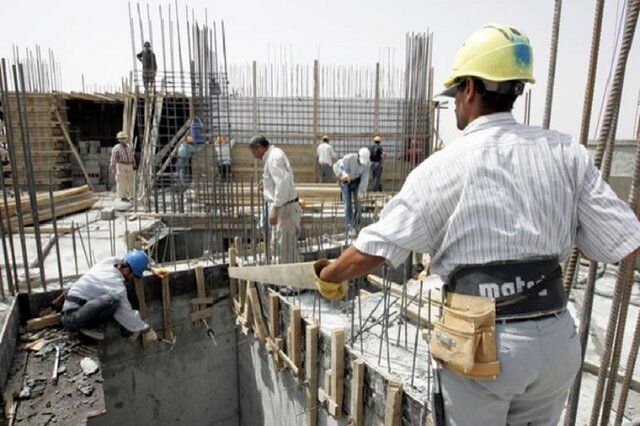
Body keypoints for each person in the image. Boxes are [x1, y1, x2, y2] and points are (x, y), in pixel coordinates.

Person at [314, 23, 640, 425]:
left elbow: (374, 249)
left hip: (483, 345)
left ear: (470, 88)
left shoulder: (444, 166)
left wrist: (330, 273)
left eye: (455, 94)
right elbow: (623, 242)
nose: (454, 105)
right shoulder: (566, 153)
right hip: (557, 341)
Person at [61, 251, 165, 342]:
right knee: (114, 300)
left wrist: (151, 269)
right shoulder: (115, 284)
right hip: (73, 319)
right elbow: (126, 313)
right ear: (127, 271)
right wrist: (146, 330)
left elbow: (127, 260)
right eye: (134, 275)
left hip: (75, 310)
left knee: (112, 301)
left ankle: (97, 328)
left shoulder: (108, 263)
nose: (133, 278)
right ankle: (93, 328)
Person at [248, 135, 301, 264]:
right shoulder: (274, 155)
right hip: (284, 207)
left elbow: (282, 183)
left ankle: (292, 283)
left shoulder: (273, 158)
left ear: (259, 148)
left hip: (285, 209)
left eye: (253, 152)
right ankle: (287, 282)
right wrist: (266, 182)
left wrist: (275, 209)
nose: (254, 156)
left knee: (286, 250)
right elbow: (280, 179)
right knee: (280, 247)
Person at [333, 147, 370, 236]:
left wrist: (361, 192)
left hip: (357, 182)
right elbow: (336, 166)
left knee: (358, 204)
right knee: (348, 205)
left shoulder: (367, 163)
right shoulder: (349, 158)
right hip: (346, 182)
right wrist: (343, 174)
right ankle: (350, 227)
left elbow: (365, 178)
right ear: (358, 156)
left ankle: (357, 225)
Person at [110, 131, 135, 202]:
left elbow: (131, 155)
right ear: (119, 140)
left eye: (124, 138)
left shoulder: (129, 146)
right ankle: (123, 197)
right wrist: (113, 167)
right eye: (121, 138)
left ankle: (131, 195)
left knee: (130, 181)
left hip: (129, 164)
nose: (123, 140)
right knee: (121, 181)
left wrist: (134, 163)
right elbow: (113, 158)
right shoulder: (116, 148)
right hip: (121, 165)